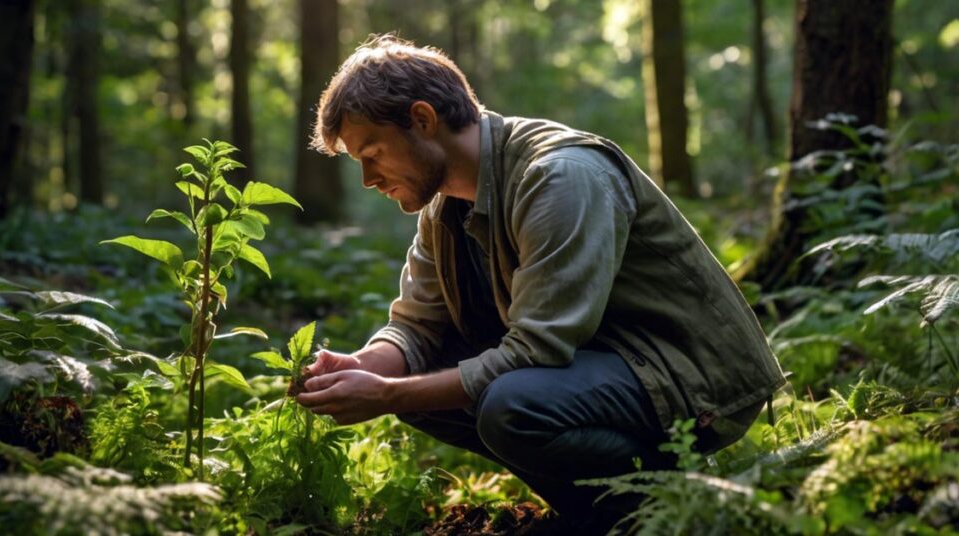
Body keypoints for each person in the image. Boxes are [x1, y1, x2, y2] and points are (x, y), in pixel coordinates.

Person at [295, 34, 785, 532]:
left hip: (686, 379)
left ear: (423, 120)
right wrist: (364, 368)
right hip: (601, 369)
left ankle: (663, 504)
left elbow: (537, 351)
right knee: (427, 391)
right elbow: (416, 326)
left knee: (509, 404)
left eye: (373, 153)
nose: (367, 179)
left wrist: (387, 395)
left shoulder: (559, 176)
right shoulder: (443, 205)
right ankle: (597, 512)